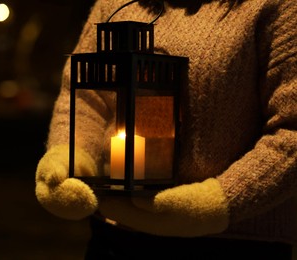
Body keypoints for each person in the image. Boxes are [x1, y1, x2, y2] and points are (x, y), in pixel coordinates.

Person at [35, 0, 297, 259]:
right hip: (115, 237)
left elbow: (291, 129)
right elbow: (87, 98)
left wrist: (216, 202)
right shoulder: (116, 3)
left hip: (235, 244)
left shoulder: (275, 6)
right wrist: (71, 158)